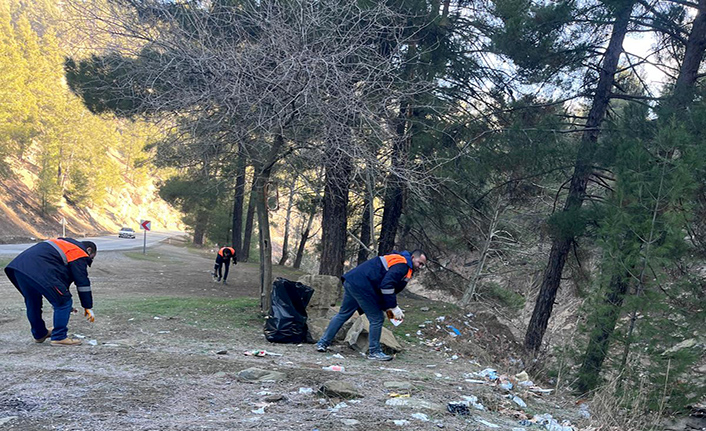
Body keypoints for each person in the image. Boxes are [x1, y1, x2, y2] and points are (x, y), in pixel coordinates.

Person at [316, 249, 427, 361]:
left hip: (352, 281)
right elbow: (387, 286)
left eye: (423, 265)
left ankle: (322, 343)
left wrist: (387, 306)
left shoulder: (397, 259)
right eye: (420, 263)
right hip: (362, 286)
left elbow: (381, 284)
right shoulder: (402, 265)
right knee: (377, 318)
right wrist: (393, 307)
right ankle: (374, 352)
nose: (420, 267)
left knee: (343, 314)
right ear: (413, 257)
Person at [4, 238, 97, 346]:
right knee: (64, 302)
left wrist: (58, 297)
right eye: (91, 258)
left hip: (18, 269)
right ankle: (59, 337)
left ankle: (40, 334)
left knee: (33, 302)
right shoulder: (78, 252)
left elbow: (60, 278)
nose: (88, 261)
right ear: (89, 250)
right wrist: (87, 306)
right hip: (38, 270)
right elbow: (82, 282)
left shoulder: (64, 244)